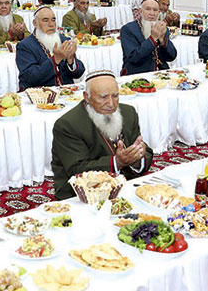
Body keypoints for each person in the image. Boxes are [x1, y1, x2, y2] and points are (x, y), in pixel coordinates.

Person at [50, 70, 153, 199]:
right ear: (87, 97)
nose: (111, 103)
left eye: (115, 96)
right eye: (103, 97)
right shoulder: (67, 124)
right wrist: (117, 162)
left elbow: (146, 153)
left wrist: (137, 158)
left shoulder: (128, 113)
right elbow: (76, 170)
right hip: (82, 195)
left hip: (124, 187)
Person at [16, 6, 85, 90]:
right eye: (45, 20)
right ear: (35, 23)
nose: (51, 24)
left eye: (53, 20)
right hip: (40, 96)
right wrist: (56, 59)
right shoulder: (25, 45)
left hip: (67, 93)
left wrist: (71, 59)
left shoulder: (64, 40)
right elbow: (30, 77)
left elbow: (78, 74)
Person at [120, 0, 177, 74]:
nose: (152, 13)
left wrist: (163, 40)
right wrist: (153, 39)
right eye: (148, 9)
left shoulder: (162, 28)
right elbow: (133, 58)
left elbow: (171, 57)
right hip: (137, 74)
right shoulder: (128, 29)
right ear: (140, 11)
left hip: (160, 74)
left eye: (155, 10)